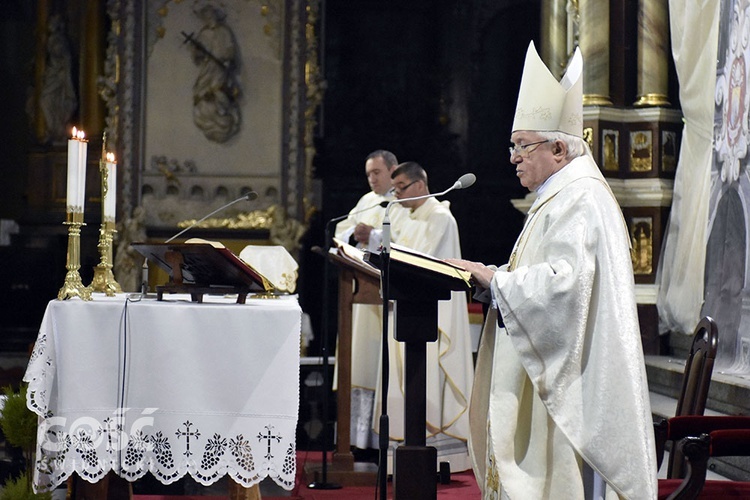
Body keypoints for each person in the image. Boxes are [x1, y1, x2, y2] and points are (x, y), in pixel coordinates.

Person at [448, 42, 657, 499]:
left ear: (559, 148)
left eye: (522, 145)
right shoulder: (563, 195)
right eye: (512, 145)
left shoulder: (580, 198)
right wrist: (497, 279)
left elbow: (568, 287)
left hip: (573, 384)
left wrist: (498, 281)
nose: (513, 157)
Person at [375, 161, 475, 472]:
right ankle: (402, 458)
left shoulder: (440, 216)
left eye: (402, 187)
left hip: (433, 313)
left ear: (420, 184)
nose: (398, 194)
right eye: (395, 189)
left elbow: (422, 260)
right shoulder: (403, 213)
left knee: (431, 376)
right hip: (407, 308)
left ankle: (442, 459)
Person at [334, 150, 401, 452]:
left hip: (385, 299)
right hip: (358, 297)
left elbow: (404, 244)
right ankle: (356, 443)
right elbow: (341, 232)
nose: (372, 179)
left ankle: (380, 442)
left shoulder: (402, 203)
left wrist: (373, 235)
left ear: (393, 170)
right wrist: (354, 232)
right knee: (358, 363)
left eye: (377, 172)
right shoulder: (366, 201)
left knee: (378, 365)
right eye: (368, 174)